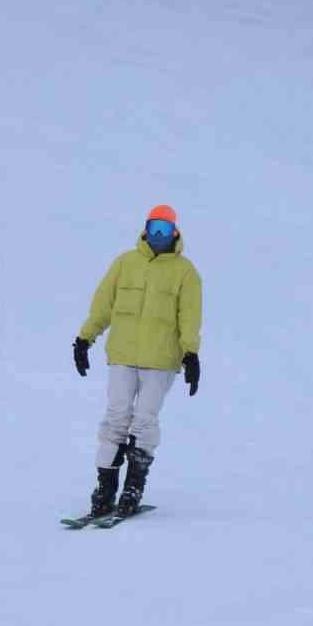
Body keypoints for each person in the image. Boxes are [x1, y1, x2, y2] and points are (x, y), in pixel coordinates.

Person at [74, 205, 202, 518]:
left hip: (160, 361)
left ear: (175, 232)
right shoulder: (125, 263)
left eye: (165, 229)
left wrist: (191, 353)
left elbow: (189, 318)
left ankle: (132, 489)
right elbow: (103, 305)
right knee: (116, 418)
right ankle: (104, 491)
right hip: (122, 356)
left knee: (144, 421)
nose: (158, 235)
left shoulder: (186, 272)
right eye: (153, 228)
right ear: (145, 229)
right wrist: (85, 339)